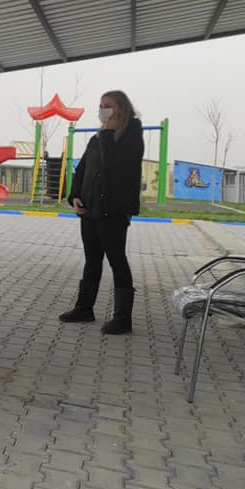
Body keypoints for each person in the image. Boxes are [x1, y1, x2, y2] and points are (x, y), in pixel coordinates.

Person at [60, 90, 144, 334]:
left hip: (114, 211)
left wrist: (108, 133)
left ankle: (123, 318)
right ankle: (84, 308)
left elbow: (113, 166)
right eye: (100, 105)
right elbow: (82, 170)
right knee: (92, 260)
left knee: (117, 261)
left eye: (107, 105)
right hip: (90, 211)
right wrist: (75, 196)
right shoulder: (96, 139)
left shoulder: (131, 137)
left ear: (121, 108)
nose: (102, 110)